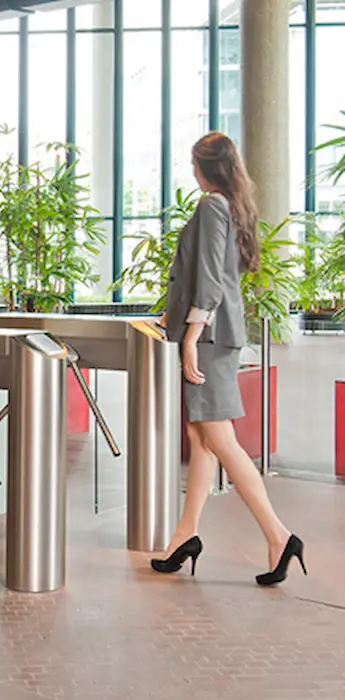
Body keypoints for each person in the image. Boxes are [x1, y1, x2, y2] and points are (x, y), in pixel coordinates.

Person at [151, 132, 305, 586]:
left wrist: (191, 334)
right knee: (203, 440)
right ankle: (186, 534)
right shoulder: (233, 206)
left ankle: (280, 537)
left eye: (193, 163)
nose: (190, 170)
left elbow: (212, 278)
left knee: (221, 441)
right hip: (216, 334)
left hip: (211, 338)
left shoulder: (212, 206)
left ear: (204, 166)